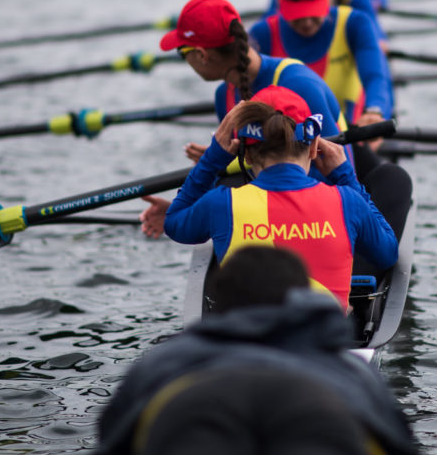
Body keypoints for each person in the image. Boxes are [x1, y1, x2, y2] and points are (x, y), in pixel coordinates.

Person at [81, 246, 429, 455]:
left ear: (216, 306)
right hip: (319, 395)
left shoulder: (164, 359)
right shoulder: (349, 366)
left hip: (194, 398)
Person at [145, 84, 398, 310]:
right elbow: (387, 254)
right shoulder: (347, 200)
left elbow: (174, 222)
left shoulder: (222, 203)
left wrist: (213, 159)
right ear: (313, 148)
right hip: (324, 347)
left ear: (245, 155)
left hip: (249, 348)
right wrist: (346, 176)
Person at [153, 0, 347, 170]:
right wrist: (221, 162)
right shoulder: (224, 96)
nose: (185, 60)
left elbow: (340, 169)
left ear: (202, 55)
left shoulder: (298, 84)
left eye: (182, 53)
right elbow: (253, 165)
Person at [250, 0, 393, 133]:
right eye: (298, 15)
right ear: (280, 0)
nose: (307, 22)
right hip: (283, 140)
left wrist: (375, 110)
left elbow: (375, 76)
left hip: (347, 133)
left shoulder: (355, 23)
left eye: (313, 13)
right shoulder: (262, 34)